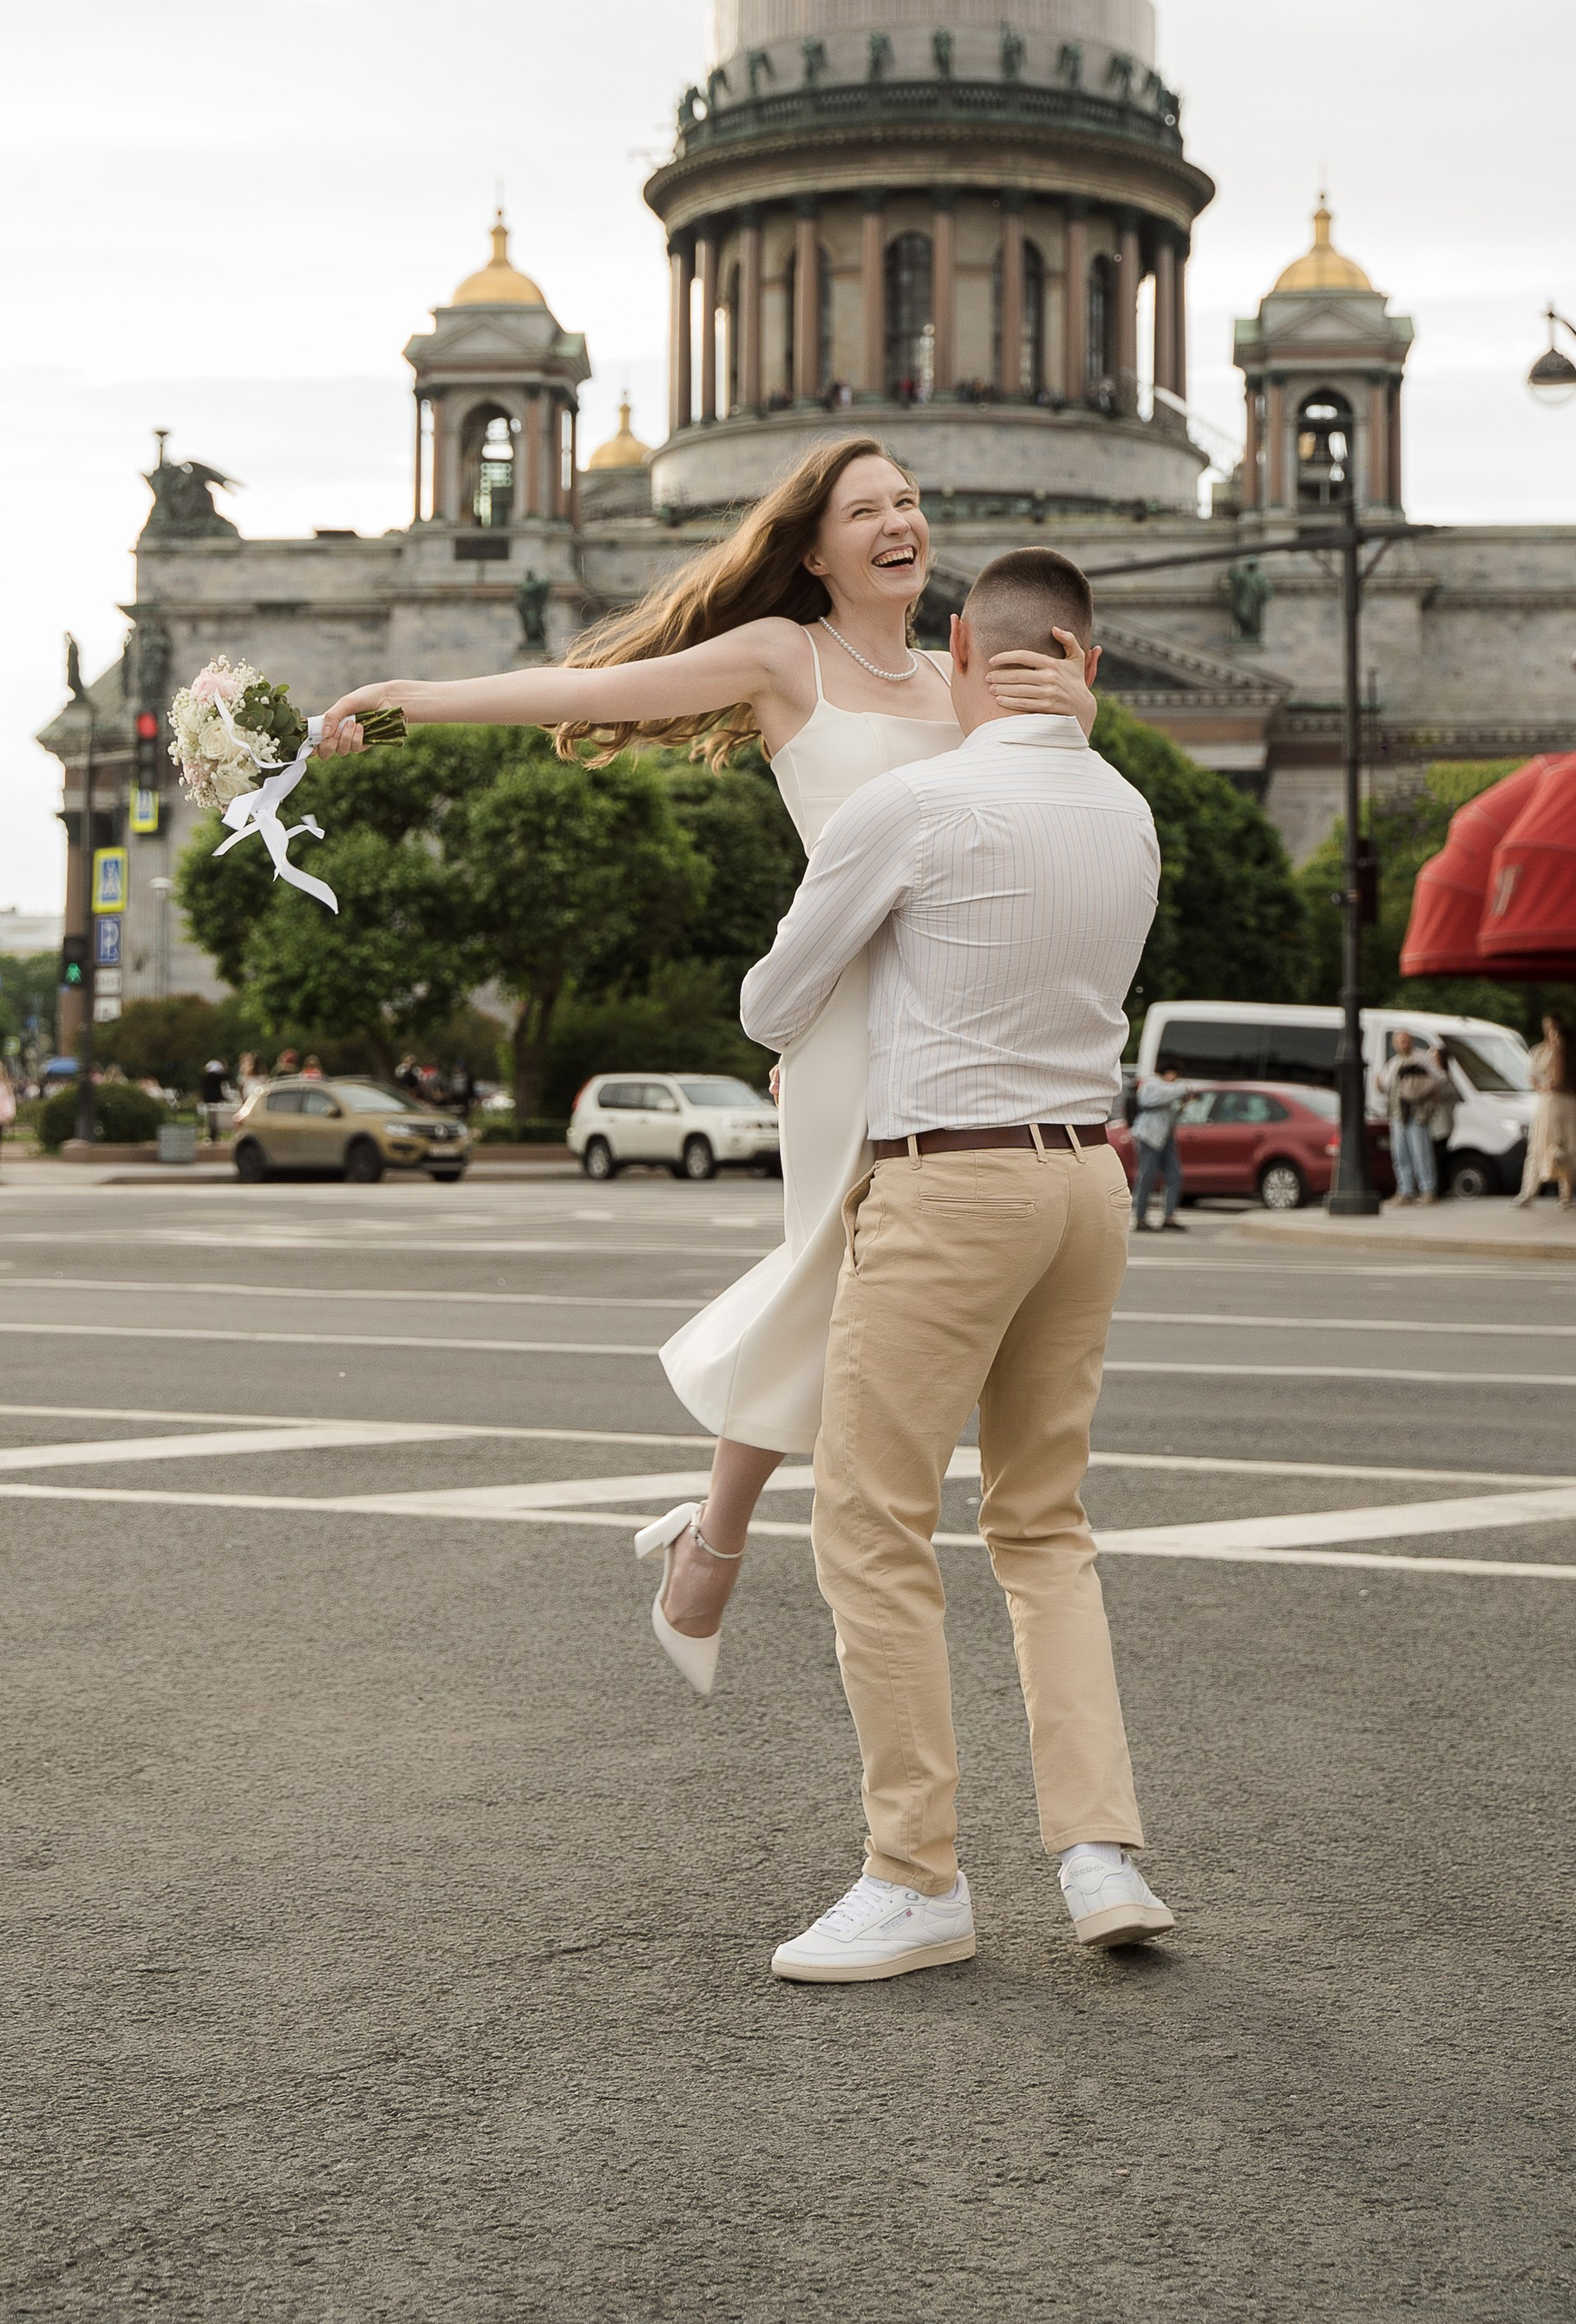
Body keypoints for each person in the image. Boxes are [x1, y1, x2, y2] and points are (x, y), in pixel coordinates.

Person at [317, 434, 1096, 1688]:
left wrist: (1084, 716)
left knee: (837, 1288)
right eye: (866, 512)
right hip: (846, 1029)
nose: (900, 525)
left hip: (950, 1033)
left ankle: (715, 1539)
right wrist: (390, 709)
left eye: (909, 503)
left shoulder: (963, 674)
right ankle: (730, 1542)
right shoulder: (785, 658)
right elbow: (577, 695)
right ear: (812, 549)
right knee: (829, 1279)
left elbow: (1039, 833)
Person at [734, 546, 1170, 1982]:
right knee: (1042, 1528)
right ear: (1087, 665)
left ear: (961, 658)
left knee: (870, 1527)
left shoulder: (911, 802)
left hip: (952, 1183)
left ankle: (916, 1876)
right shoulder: (1131, 812)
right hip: (1087, 1185)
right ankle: (1100, 1856)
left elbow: (771, 1001)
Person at [1518, 1013, 1576, 1208]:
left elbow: (1559, 1078)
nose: (1550, 1031)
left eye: (1553, 1027)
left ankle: (1563, 1193)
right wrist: (1543, 1087)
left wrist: (1547, 1085)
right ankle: (1534, 1191)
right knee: (1548, 1146)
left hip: (1556, 1102)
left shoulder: (1565, 1052)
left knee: (1558, 1146)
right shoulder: (1541, 1050)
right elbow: (1534, 1077)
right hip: (1551, 1102)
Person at [1384, 1029, 1455, 1206]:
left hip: (1416, 1112)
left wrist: (1421, 1089)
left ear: (1412, 1041)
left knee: (1421, 1152)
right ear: (1395, 1044)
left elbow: (1440, 1077)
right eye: (1400, 1041)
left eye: (1406, 1040)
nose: (1403, 1043)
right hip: (1397, 1113)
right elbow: (1386, 1085)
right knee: (1400, 1154)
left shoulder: (1423, 1058)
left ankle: (1428, 1190)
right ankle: (1405, 1190)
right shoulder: (1393, 1062)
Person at [1127, 1061, 1189, 1231]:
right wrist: (1181, 1089)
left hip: (1165, 1137)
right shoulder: (1152, 1084)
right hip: (1148, 1136)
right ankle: (1140, 1218)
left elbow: (1171, 1113)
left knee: (1174, 1175)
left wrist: (1183, 1105)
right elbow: (1148, 1100)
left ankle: (1169, 1216)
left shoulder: (1169, 1091)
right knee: (1146, 1177)